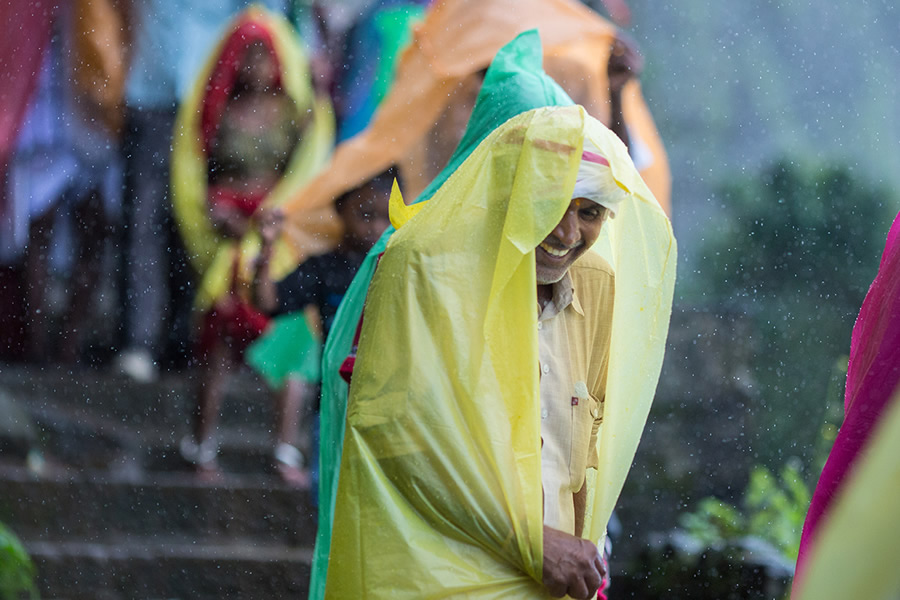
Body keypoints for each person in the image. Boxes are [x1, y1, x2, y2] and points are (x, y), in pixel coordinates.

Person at [323, 37, 676, 599]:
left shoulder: (592, 287)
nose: (565, 234)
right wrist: (533, 544)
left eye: (588, 212)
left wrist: (581, 552)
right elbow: (399, 437)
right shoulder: (423, 272)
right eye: (547, 199)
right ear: (498, 179)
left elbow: (583, 452)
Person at [171, 6, 334, 481]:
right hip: (229, 239)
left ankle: (285, 450)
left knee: (289, 336)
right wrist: (224, 216)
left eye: (266, 56)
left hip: (276, 235)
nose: (257, 66)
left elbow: (309, 166)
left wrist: (269, 223)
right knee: (220, 335)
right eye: (249, 55)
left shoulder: (296, 112)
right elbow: (196, 167)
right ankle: (200, 447)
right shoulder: (218, 108)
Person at [246, 170, 393, 488]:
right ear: (341, 210)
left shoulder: (397, 265)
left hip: (386, 406)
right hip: (331, 404)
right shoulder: (325, 266)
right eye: (366, 215)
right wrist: (267, 250)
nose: (376, 227)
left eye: (386, 217)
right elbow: (268, 302)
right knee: (330, 493)